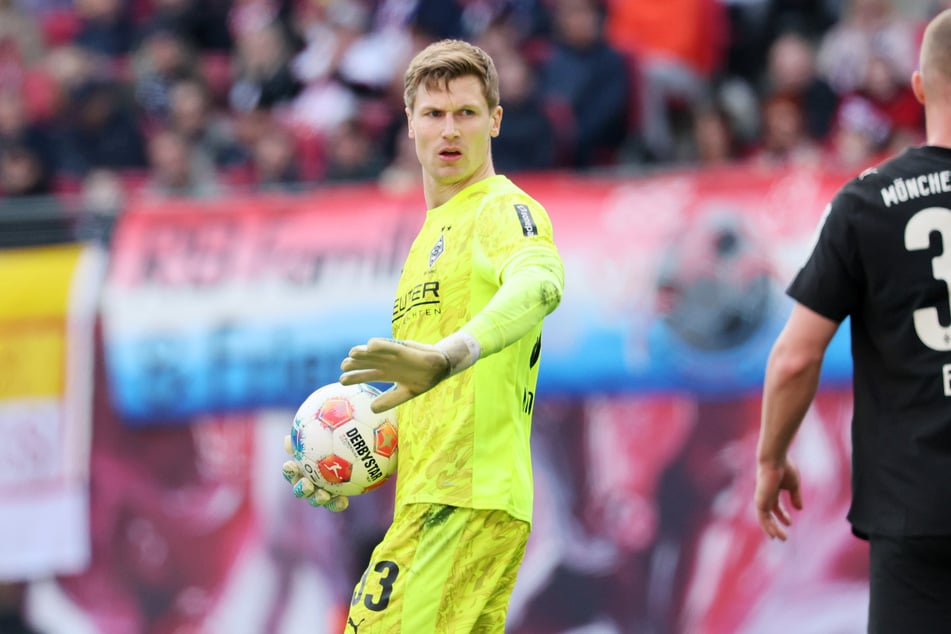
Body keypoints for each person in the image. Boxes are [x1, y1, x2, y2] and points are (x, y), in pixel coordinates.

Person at [282, 38, 565, 632]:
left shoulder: (501, 210)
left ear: (495, 120)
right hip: (442, 496)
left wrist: (448, 351)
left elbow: (541, 283)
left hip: (462, 499)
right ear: (409, 124)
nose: (450, 129)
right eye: (434, 115)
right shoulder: (427, 240)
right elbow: (441, 400)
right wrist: (348, 455)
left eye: (466, 112)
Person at [754, 9, 951, 632]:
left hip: (914, 510)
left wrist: (771, 458)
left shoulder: (867, 202)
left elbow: (795, 357)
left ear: (918, 87)